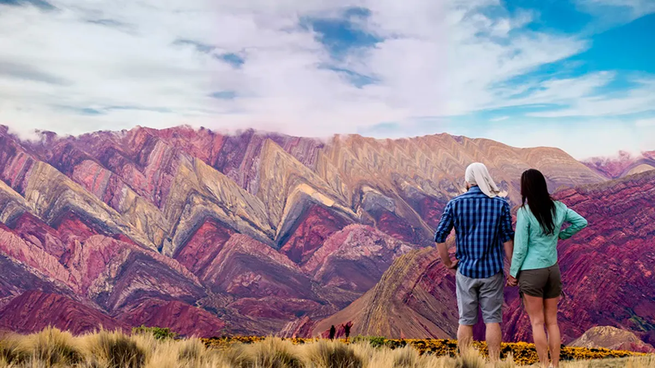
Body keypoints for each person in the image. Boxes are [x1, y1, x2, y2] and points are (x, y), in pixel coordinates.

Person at [434, 162, 514, 362]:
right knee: (492, 321)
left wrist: (447, 263)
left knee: (466, 321)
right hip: (492, 271)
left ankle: (466, 362)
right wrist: (514, 268)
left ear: (468, 181)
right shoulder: (500, 204)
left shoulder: (455, 204)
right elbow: (507, 238)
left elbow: (439, 237)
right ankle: (495, 363)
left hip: (466, 271)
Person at [508, 169, 588, 368]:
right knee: (552, 321)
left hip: (531, 272)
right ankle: (555, 365)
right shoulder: (559, 207)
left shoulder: (525, 212)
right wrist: (562, 235)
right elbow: (581, 222)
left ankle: (544, 365)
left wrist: (513, 274)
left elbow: (520, 249)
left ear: (526, 188)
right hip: (552, 270)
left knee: (537, 322)